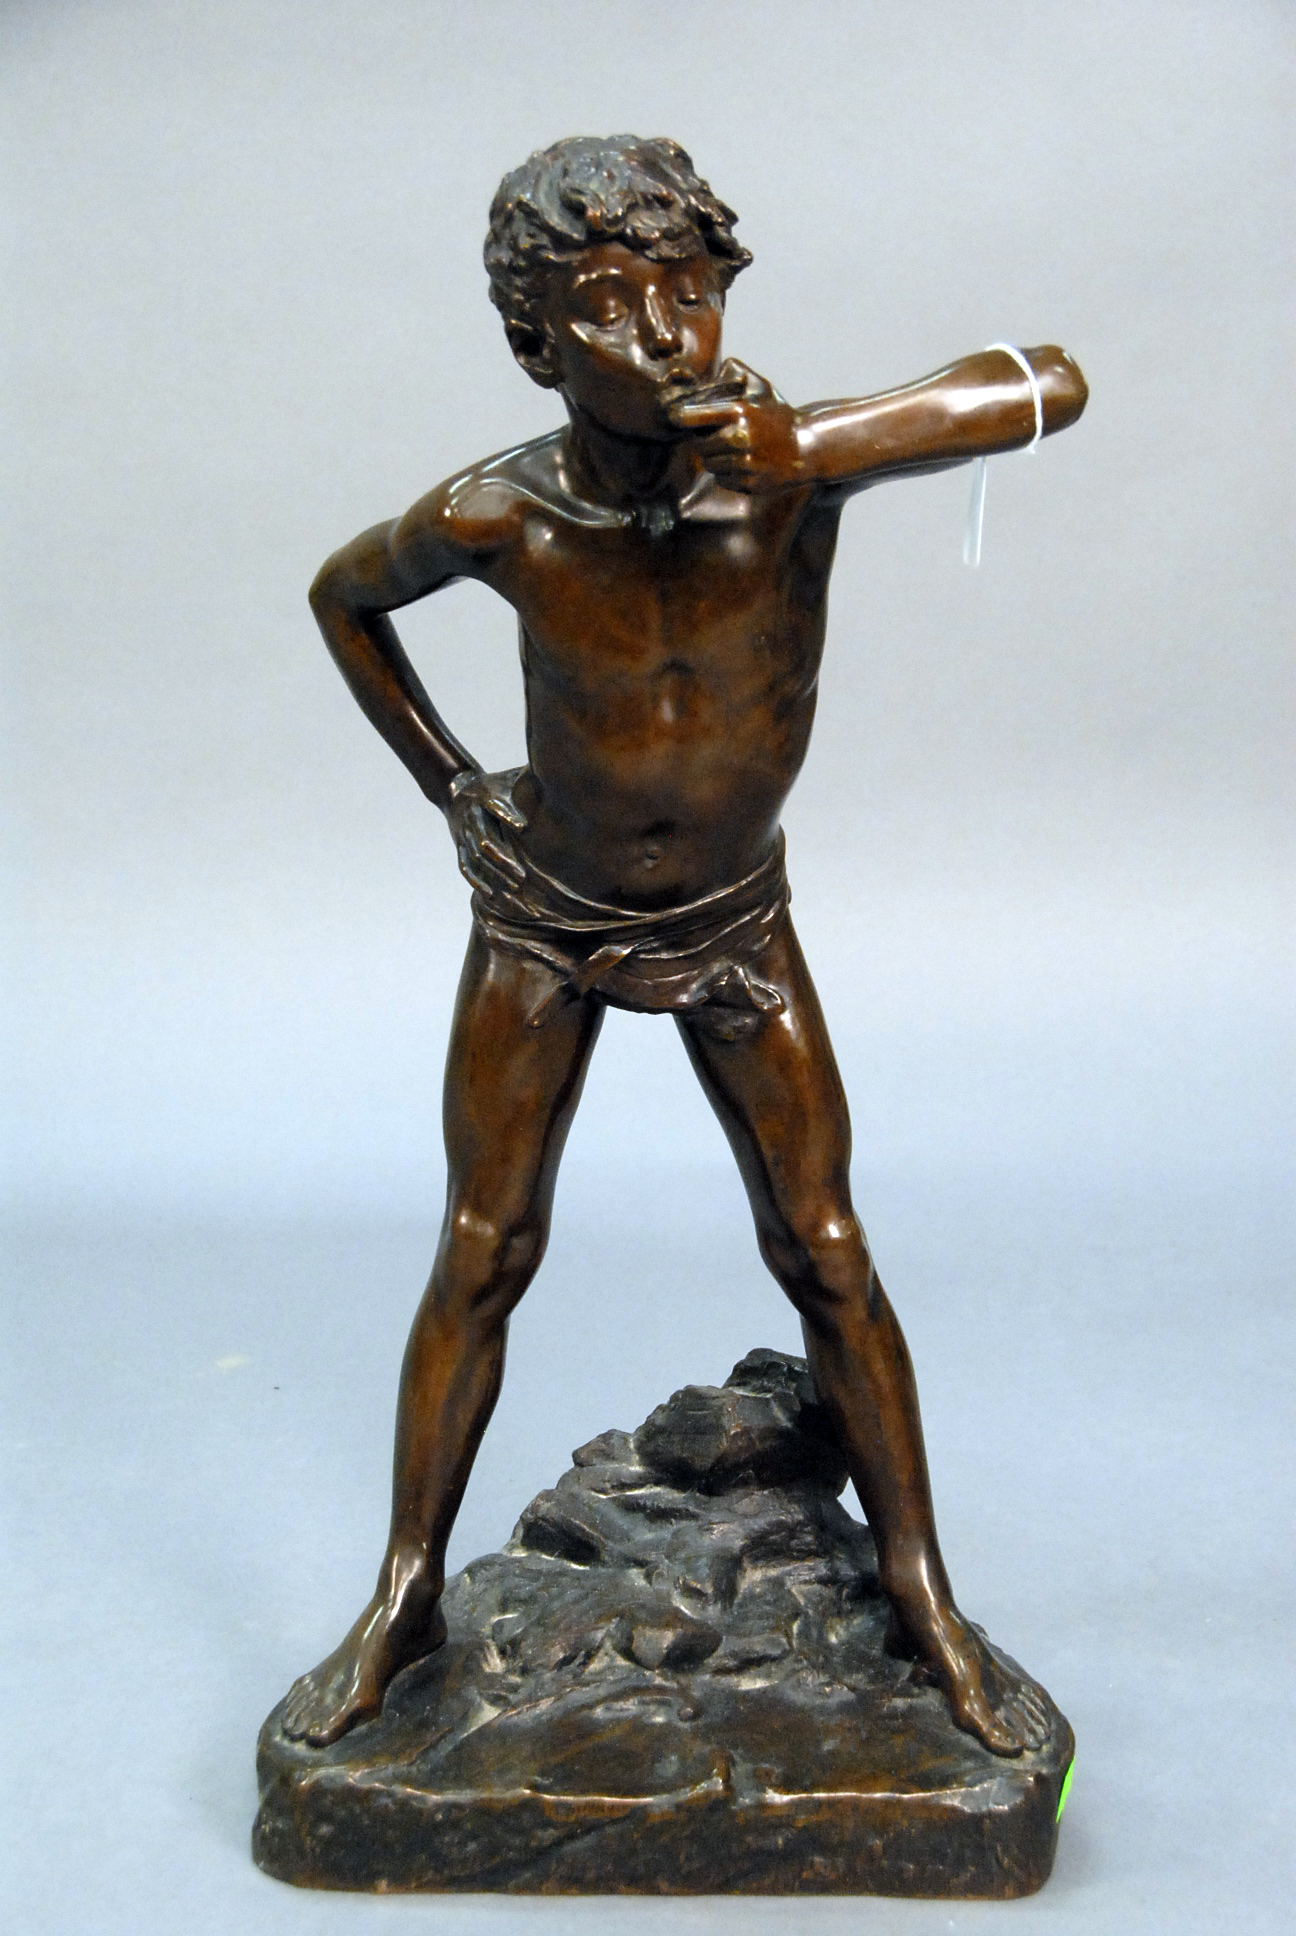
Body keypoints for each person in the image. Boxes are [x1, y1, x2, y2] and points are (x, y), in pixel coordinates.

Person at [283, 134, 1088, 1753]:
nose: (661, 336)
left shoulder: (787, 468)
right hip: (550, 915)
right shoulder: (500, 512)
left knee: (826, 1248)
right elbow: (342, 599)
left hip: (732, 919)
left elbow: (1046, 385)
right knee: (483, 1248)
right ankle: (406, 1592)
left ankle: (922, 1589)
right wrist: (456, 789)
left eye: (688, 291)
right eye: (607, 302)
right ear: (535, 343)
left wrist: (820, 438)